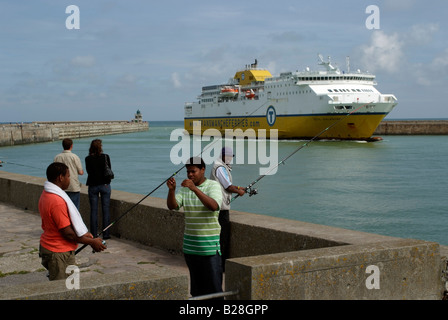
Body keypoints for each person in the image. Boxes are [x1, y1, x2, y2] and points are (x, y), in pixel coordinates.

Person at [166, 157, 223, 298]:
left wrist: (194, 189)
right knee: (196, 291)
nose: (190, 175)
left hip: (209, 248)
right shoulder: (185, 189)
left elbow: (214, 206)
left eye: (193, 171)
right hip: (190, 248)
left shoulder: (213, 186)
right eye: (188, 172)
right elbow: (172, 206)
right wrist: (172, 191)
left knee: (214, 290)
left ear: (203, 170)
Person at [39, 162, 106, 281]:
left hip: (51, 247)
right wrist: (91, 242)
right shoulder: (57, 201)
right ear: (61, 177)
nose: (69, 179)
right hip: (58, 253)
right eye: (68, 176)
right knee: (65, 290)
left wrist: (83, 234)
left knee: (72, 286)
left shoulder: (46, 193)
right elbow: (67, 233)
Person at [210, 147, 245, 271]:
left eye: (231, 156)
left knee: (220, 237)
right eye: (228, 156)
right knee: (222, 237)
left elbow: (227, 184)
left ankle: (219, 264)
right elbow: (227, 186)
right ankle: (221, 266)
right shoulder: (220, 168)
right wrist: (238, 191)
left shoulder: (220, 166)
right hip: (221, 209)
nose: (230, 158)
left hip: (219, 206)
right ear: (222, 156)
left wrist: (240, 188)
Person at [85, 139, 112, 239]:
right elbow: (109, 169)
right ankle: (106, 233)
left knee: (94, 211)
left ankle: (94, 234)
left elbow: (89, 171)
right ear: (100, 147)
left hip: (93, 185)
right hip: (105, 185)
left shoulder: (88, 159)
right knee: (106, 210)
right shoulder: (106, 157)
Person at [54, 138, 84, 209]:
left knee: (63, 208)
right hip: (73, 186)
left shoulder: (57, 157)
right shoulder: (75, 157)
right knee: (74, 209)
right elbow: (80, 172)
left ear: (63, 146)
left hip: (61, 187)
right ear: (71, 146)